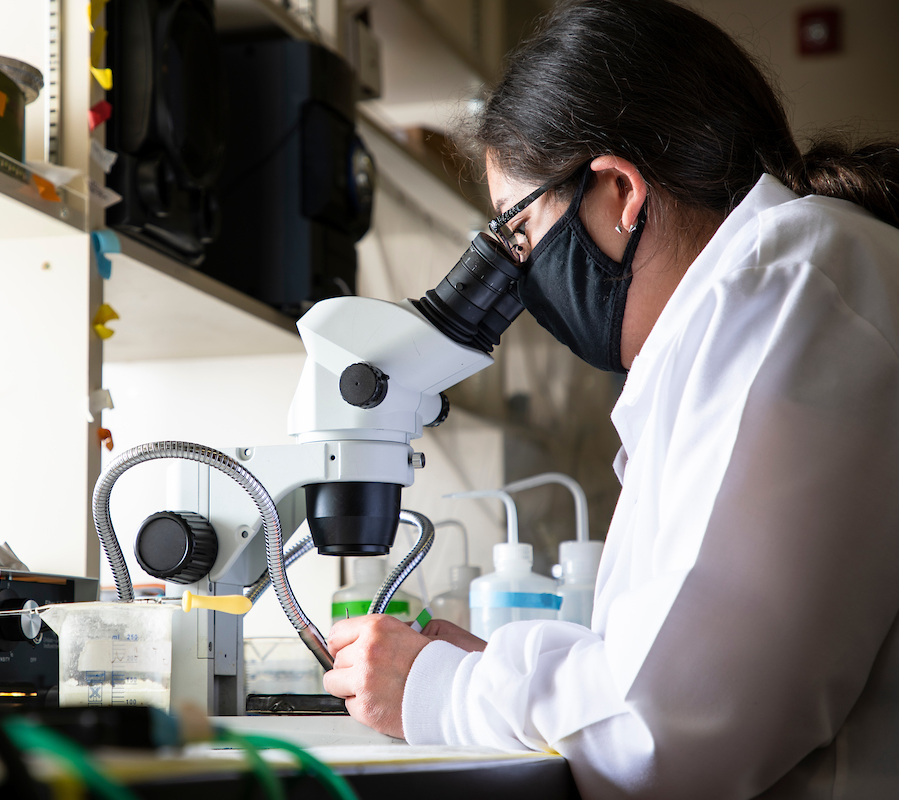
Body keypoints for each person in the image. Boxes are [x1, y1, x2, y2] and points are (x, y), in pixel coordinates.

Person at [321, 1, 899, 797]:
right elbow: (674, 664)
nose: (516, 278)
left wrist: (443, 692)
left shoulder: (788, 280)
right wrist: (496, 674)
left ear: (621, 191)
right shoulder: (768, 292)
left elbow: (674, 727)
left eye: (517, 237)